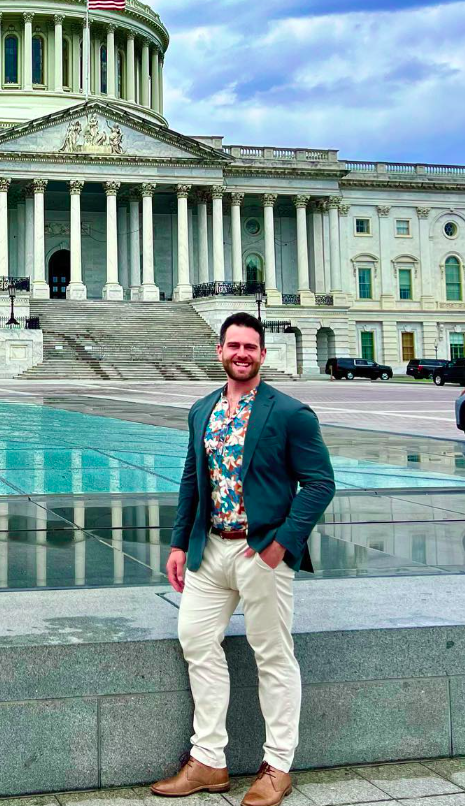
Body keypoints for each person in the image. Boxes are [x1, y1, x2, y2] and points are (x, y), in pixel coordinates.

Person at [151, 311, 335, 806]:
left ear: (261, 354)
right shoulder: (202, 410)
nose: (241, 354)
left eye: (249, 347)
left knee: (273, 655)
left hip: (262, 552)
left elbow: (321, 484)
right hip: (210, 549)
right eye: (233, 346)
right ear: (220, 351)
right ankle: (209, 760)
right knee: (195, 640)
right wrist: (176, 543)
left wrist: (283, 545)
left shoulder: (290, 413)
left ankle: (277, 766)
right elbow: (194, 479)